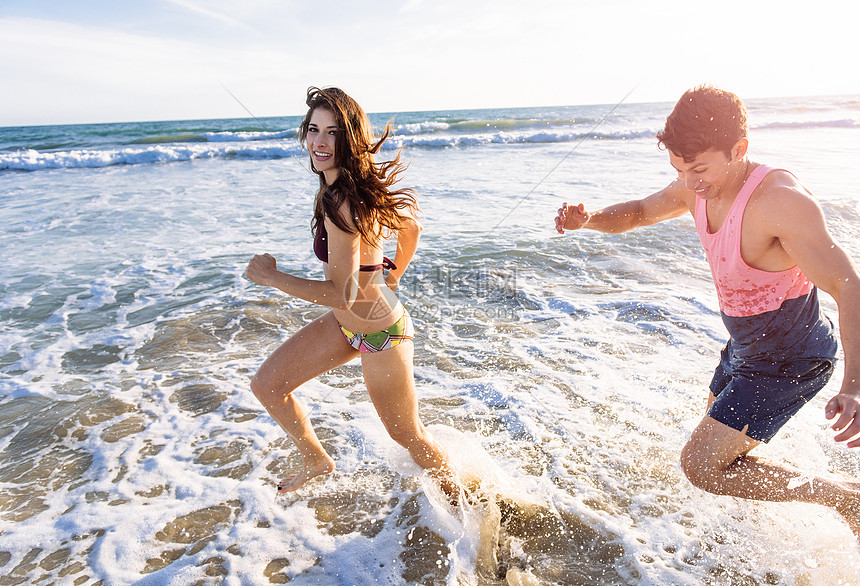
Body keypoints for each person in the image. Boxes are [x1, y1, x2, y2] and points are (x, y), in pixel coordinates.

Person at [554, 85, 860, 538]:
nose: (689, 181)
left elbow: (847, 286)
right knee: (723, 454)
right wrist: (589, 219)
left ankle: (847, 500)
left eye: (699, 168)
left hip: (791, 357)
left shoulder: (779, 202)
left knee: (701, 465)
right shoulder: (695, 186)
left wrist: (853, 387)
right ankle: (798, 519)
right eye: (679, 168)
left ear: (739, 150)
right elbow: (639, 212)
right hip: (745, 348)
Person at [246, 86, 456, 498]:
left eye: (333, 133)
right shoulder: (350, 187)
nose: (320, 142)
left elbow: (341, 293)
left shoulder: (340, 200)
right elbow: (412, 227)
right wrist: (394, 271)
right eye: (313, 130)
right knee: (268, 385)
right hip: (348, 328)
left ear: (350, 139)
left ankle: (467, 499)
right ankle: (316, 460)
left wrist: (273, 277)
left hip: (380, 333)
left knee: (408, 436)